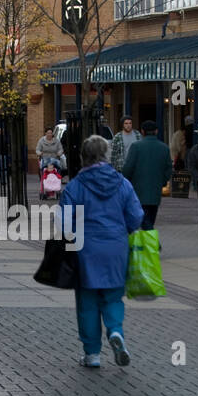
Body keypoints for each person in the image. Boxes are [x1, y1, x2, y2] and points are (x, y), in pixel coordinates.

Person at [60, 134, 144, 368]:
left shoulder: (76, 186)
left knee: (87, 302)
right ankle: (116, 331)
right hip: (116, 247)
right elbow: (136, 217)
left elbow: (64, 223)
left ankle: (92, 354)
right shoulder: (122, 183)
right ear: (106, 155)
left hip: (85, 249)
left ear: (83, 157)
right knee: (113, 296)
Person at [122, 121, 173, 230]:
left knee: (143, 219)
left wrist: (127, 182)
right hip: (155, 189)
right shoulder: (164, 148)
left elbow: (127, 168)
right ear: (156, 131)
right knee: (150, 218)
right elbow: (169, 168)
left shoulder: (136, 146)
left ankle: (152, 242)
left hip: (138, 189)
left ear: (142, 132)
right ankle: (150, 242)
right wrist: (162, 180)